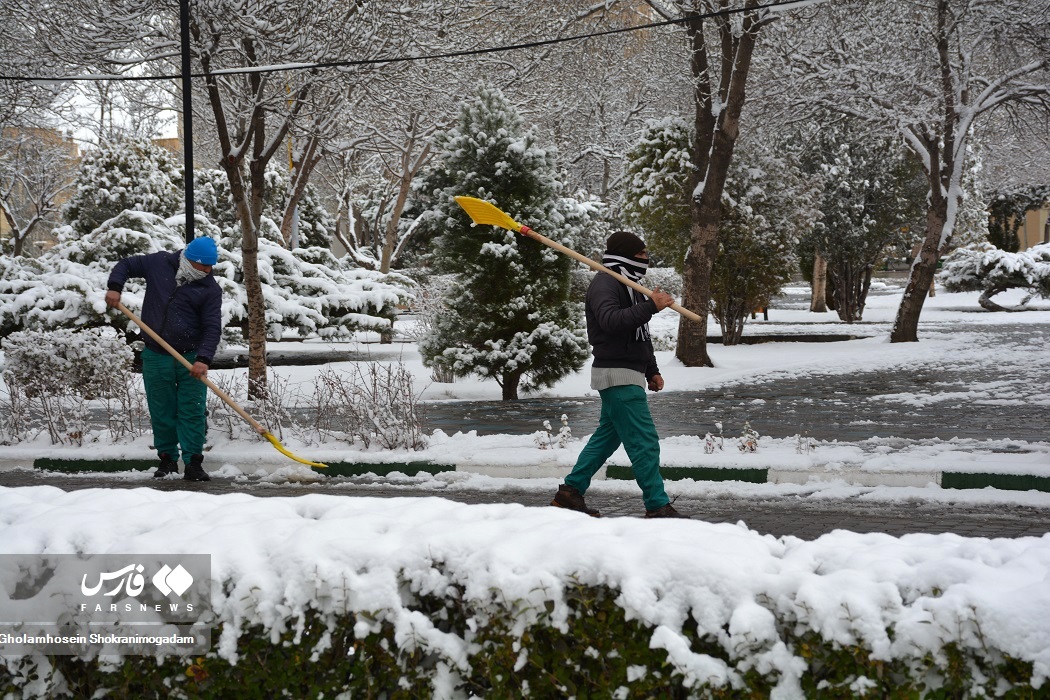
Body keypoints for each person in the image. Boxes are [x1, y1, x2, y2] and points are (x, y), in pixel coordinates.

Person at [550, 231, 688, 519]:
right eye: (640, 254)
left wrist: (651, 369)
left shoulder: (631, 286)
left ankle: (570, 493)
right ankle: (657, 505)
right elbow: (610, 321)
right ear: (624, 255)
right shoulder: (606, 283)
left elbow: (640, 334)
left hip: (629, 372)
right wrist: (650, 306)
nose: (646, 259)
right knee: (644, 441)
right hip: (617, 373)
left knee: (607, 438)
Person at [105, 237, 223, 481]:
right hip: (156, 354)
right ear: (190, 260)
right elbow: (126, 264)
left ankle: (193, 463)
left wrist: (203, 358)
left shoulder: (209, 289)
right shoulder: (159, 263)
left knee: (192, 410)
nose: (207, 271)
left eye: (211, 266)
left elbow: (212, 327)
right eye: (203, 265)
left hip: (190, 356)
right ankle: (167, 459)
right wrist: (115, 287)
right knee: (162, 410)